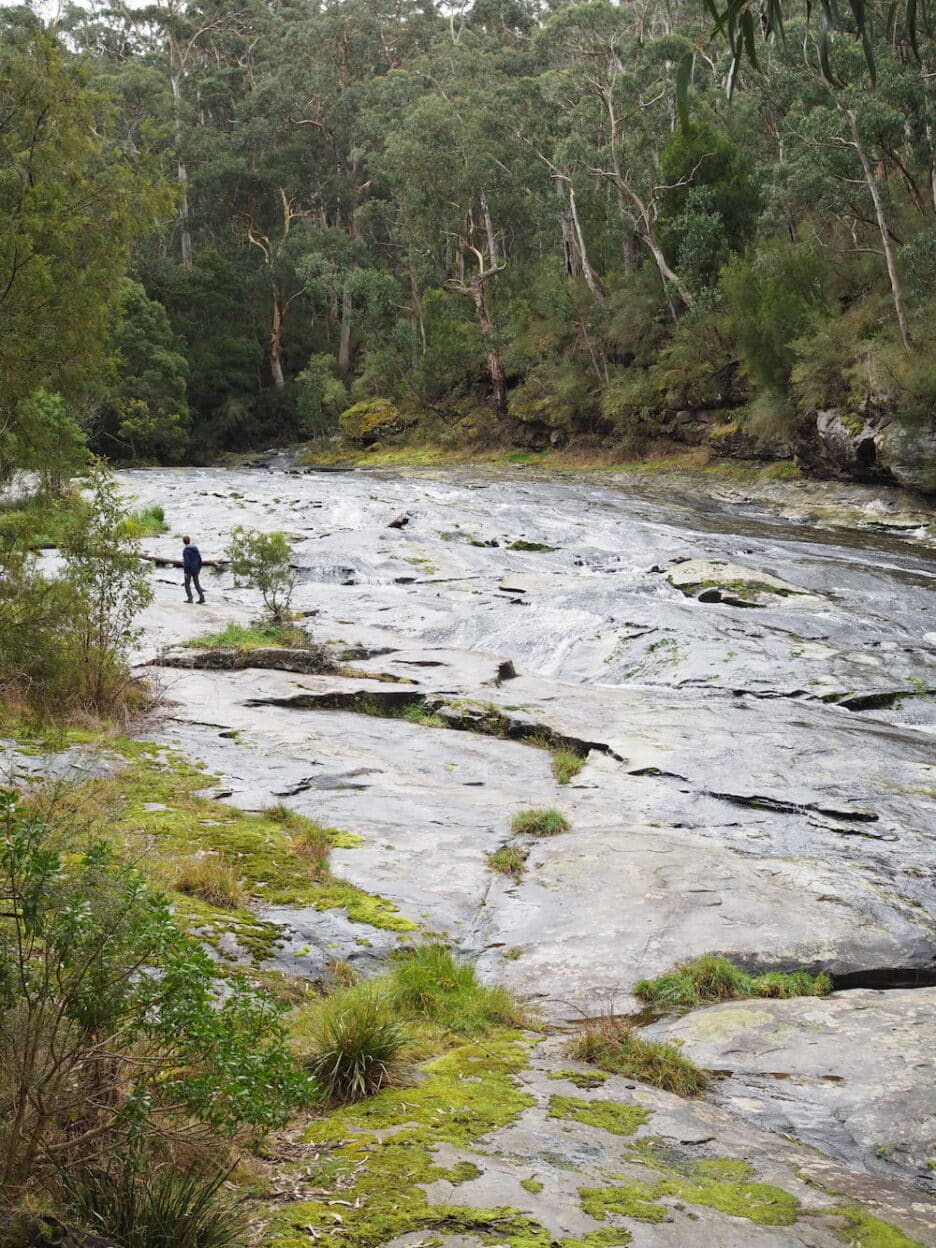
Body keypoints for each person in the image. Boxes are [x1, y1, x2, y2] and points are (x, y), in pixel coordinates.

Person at [182, 535, 206, 604]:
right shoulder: (196, 548)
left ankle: (190, 598)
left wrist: (185, 572)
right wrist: (199, 568)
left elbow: (187, 561)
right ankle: (202, 597)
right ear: (190, 541)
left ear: (183, 542)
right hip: (196, 569)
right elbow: (200, 559)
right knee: (197, 584)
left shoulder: (185, 550)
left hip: (189, 570)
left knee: (187, 584)